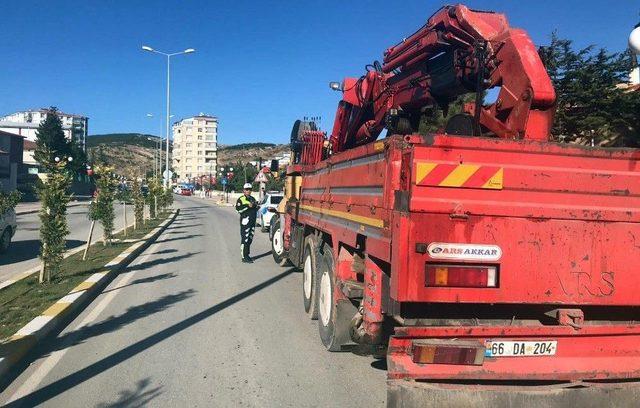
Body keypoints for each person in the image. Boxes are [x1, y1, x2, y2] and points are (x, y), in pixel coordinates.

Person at [235, 183, 258, 263]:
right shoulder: (241, 199)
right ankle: (244, 257)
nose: (248, 191)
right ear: (243, 190)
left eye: (250, 189)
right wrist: (248, 206)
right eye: (247, 189)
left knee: (250, 239)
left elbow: (255, 209)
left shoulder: (252, 198)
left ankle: (247, 255)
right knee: (245, 239)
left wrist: (256, 207)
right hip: (245, 222)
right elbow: (238, 210)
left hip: (252, 222)